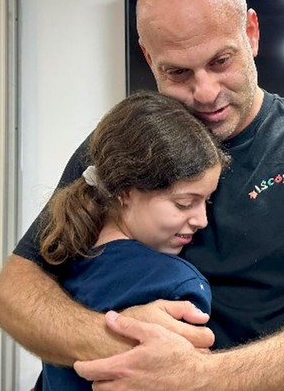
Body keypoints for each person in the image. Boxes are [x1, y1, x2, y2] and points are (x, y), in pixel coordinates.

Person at [0, 0, 284, 389]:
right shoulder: (126, 139)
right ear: (149, 58)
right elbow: (14, 293)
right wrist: (118, 342)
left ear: (252, 34)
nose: (205, 92)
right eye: (178, 72)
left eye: (221, 61)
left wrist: (199, 378)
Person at [35, 91, 229, 390]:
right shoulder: (177, 284)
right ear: (127, 192)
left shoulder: (61, 262)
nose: (202, 220)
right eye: (184, 203)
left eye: (207, 201)